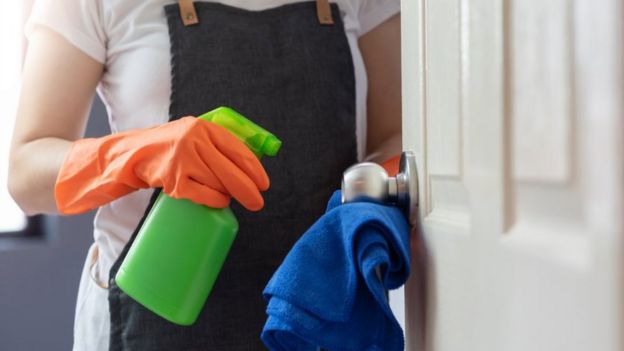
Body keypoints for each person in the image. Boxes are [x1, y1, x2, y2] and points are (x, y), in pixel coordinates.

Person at [8, 0, 401, 350]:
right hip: (150, 318)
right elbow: (27, 174)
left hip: (316, 321)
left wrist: (366, 209)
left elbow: (398, 137)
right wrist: (142, 153)